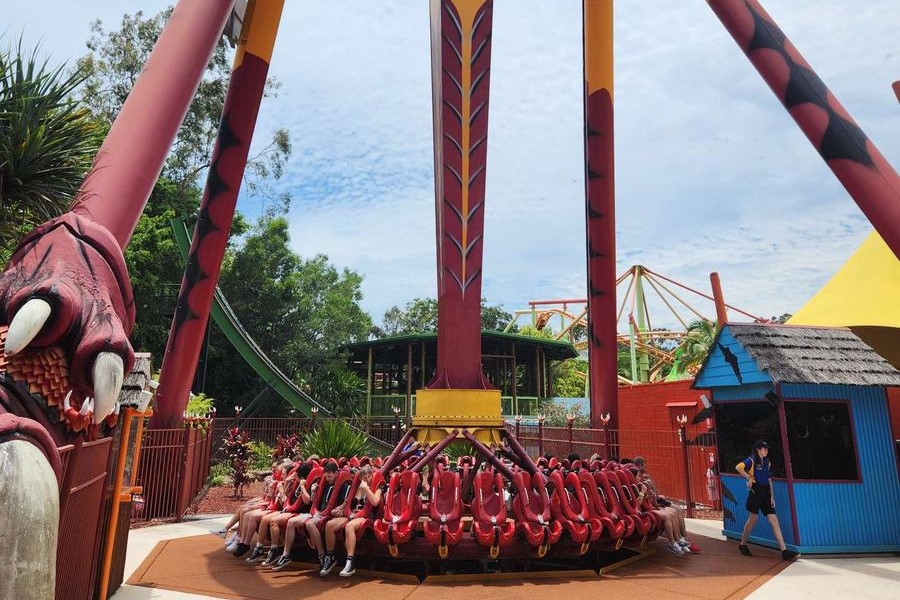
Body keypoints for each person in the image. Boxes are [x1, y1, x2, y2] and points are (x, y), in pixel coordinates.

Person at [735, 440, 799, 561]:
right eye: (764, 449)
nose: (766, 451)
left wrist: (772, 496)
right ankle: (743, 544)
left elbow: (769, 479)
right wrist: (749, 477)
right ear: (758, 449)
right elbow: (738, 467)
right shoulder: (752, 460)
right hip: (755, 492)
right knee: (753, 518)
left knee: (773, 519)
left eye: (767, 449)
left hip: (766, 493)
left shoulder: (767, 462)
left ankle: (784, 551)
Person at [320, 465, 385, 577]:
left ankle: (350, 562)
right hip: (353, 514)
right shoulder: (358, 487)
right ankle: (330, 557)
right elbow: (348, 502)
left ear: (371, 476)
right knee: (330, 525)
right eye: (363, 478)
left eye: (368, 477)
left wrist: (366, 488)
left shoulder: (378, 487)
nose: (366, 479)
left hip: (367, 517)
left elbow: (375, 502)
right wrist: (338, 509)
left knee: (349, 526)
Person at [633, 456, 697, 556]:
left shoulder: (643, 480)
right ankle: (672, 542)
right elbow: (637, 505)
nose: (639, 477)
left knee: (675, 511)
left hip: (651, 506)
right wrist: (642, 492)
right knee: (668, 515)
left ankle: (680, 539)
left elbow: (652, 497)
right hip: (643, 510)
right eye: (637, 476)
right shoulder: (634, 486)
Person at [306, 462, 352, 573]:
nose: (327, 479)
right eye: (326, 477)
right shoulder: (327, 486)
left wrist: (339, 509)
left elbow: (347, 502)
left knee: (326, 525)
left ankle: (329, 556)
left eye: (329, 476)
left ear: (336, 473)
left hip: (338, 515)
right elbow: (314, 501)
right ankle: (322, 555)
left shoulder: (345, 487)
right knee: (309, 523)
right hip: (325, 514)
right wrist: (313, 491)